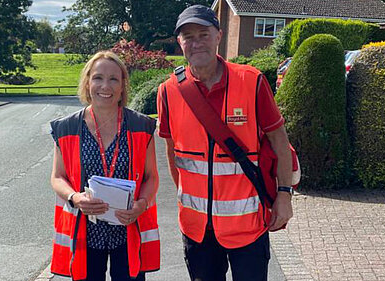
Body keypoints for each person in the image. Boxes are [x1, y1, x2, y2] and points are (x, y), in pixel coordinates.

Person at [156, 5, 293, 281]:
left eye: (203, 34)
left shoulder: (251, 81)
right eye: (188, 37)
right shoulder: (168, 91)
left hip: (248, 226)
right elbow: (173, 155)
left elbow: (279, 140)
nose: (196, 43)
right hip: (196, 229)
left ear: (218, 36)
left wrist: (284, 195)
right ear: (179, 43)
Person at [49, 51, 160, 281]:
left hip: (127, 229)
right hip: (85, 231)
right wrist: (74, 198)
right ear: (87, 82)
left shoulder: (142, 125)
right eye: (98, 78)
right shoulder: (66, 127)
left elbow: (152, 177)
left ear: (122, 87)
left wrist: (141, 204)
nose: (105, 86)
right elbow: (57, 177)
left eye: (113, 79)